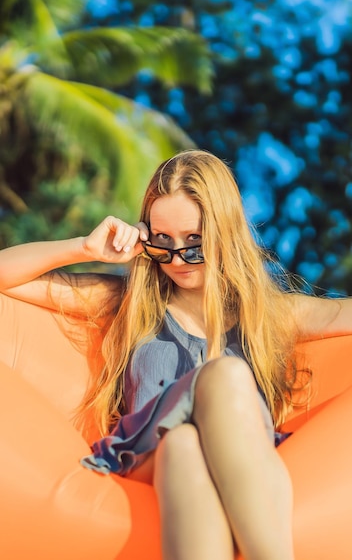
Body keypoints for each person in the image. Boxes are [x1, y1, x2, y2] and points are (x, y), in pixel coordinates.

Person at [0, 149, 351, 560]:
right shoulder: (126, 304)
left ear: (225, 235)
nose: (178, 259)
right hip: (144, 451)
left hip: (233, 455)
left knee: (185, 445)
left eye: (194, 243)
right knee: (223, 377)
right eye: (162, 243)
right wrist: (85, 246)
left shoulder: (271, 315)